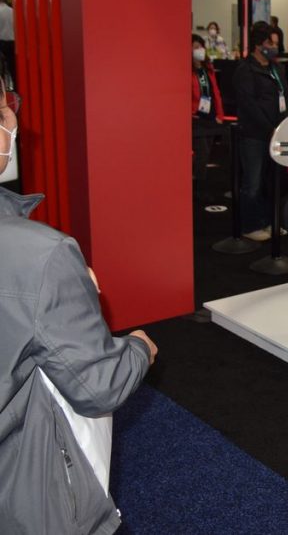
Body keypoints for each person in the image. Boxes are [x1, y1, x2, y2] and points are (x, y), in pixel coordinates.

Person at [0, 85, 158, 534]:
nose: (12, 120)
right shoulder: (41, 255)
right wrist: (137, 348)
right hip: (26, 492)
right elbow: (96, 387)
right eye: (6, 108)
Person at [234, 21, 288, 241]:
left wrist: (284, 126)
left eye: (277, 43)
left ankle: (270, 221)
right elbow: (250, 106)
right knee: (253, 183)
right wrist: (270, 129)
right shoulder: (245, 71)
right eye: (271, 43)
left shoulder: (276, 68)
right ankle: (250, 225)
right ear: (259, 45)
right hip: (255, 135)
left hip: (278, 133)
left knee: (273, 182)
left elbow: (285, 96)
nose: (275, 48)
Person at [191, 34, 225, 185]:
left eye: (201, 46)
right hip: (196, 118)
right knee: (202, 152)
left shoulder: (207, 69)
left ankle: (200, 180)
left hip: (210, 117)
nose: (200, 50)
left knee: (208, 152)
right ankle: (197, 181)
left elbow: (215, 92)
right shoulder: (187, 71)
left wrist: (220, 114)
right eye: (196, 47)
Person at [0, 0, 14, 82]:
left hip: (1, 43)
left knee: (1, 69)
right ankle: (15, 91)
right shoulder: (12, 10)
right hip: (13, 43)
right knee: (12, 68)